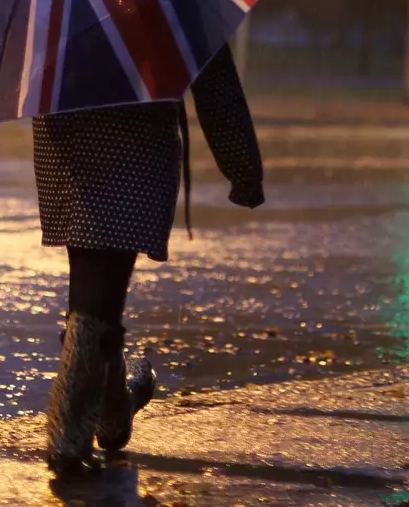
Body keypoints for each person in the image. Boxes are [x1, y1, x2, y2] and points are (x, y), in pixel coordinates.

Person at [34, 43, 264, 477]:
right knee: (97, 293)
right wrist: (243, 169)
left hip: (64, 141)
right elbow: (213, 75)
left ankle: (112, 414)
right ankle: (68, 439)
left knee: (93, 284)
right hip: (135, 143)